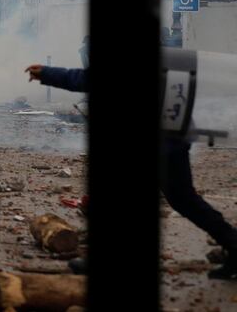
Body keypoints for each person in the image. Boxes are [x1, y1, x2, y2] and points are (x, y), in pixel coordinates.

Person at [24, 63, 237, 280]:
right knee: (185, 200)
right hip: (173, 138)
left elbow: (85, 79)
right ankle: (233, 243)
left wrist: (48, 74)